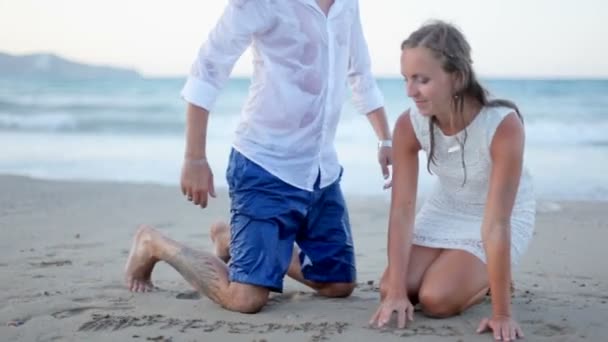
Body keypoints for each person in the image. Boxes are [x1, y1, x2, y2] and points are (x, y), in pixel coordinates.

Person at [124, 0, 393, 314]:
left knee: (338, 284)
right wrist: (195, 157)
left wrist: (384, 138)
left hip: (321, 171)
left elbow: (359, 72)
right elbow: (209, 67)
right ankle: (153, 243)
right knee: (246, 299)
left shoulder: (347, 4)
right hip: (265, 165)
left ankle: (230, 238)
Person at [368, 21, 535, 341]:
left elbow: (497, 222)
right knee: (391, 286)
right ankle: (464, 272)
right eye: (406, 79)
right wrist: (397, 294)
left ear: (456, 78)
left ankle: (489, 279)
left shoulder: (502, 124)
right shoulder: (408, 124)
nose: (410, 91)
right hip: (445, 208)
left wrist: (502, 314)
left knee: (436, 299)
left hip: (498, 215)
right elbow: (402, 211)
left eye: (422, 80)